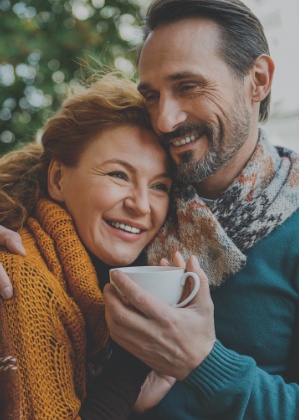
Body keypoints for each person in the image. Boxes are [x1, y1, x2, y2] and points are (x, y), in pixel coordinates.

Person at [1, 0, 299, 418]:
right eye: (152, 95)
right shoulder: (124, 218)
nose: (164, 119)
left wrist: (203, 361)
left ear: (258, 79)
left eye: (189, 86)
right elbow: (42, 181)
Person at [0, 72, 180, 419]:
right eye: (118, 175)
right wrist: (130, 371)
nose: (142, 205)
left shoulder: (93, 281)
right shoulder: (22, 279)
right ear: (57, 179)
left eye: (160, 186)